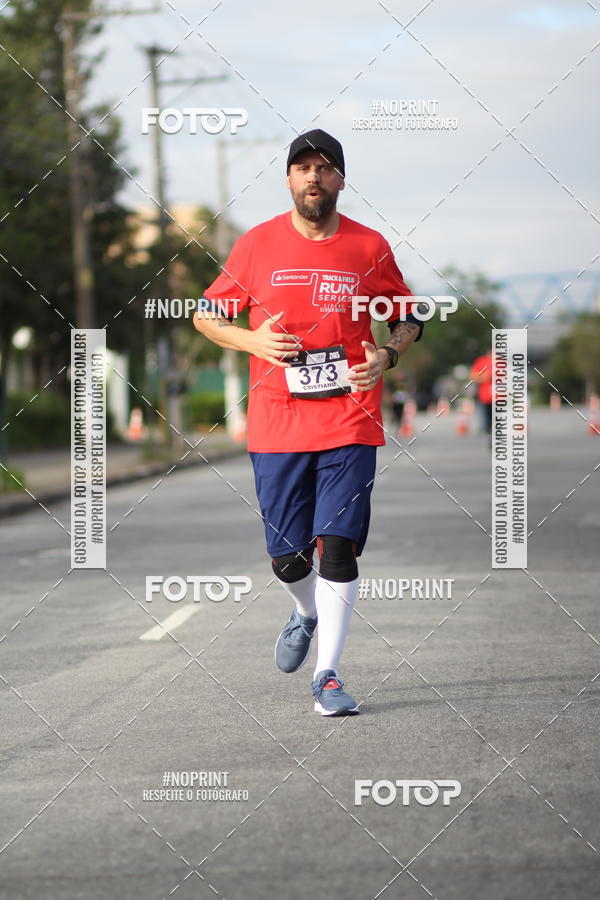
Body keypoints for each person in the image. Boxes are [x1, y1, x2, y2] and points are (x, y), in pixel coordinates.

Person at [193, 129, 423, 716]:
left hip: (351, 417)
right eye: (302, 168)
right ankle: (305, 610)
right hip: (276, 421)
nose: (313, 177)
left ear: (341, 180)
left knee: (338, 548)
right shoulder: (256, 245)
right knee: (289, 558)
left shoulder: (367, 247)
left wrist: (387, 353)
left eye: (324, 168)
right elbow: (206, 315)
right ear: (290, 180)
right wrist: (251, 338)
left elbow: (409, 316)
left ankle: (328, 675)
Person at [470, 350, 493, 443]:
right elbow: (473, 376)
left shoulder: (502, 362)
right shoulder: (482, 361)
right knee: (486, 420)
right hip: (485, 397)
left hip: (501, 398)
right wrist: (484, 377)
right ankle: (489, 437)